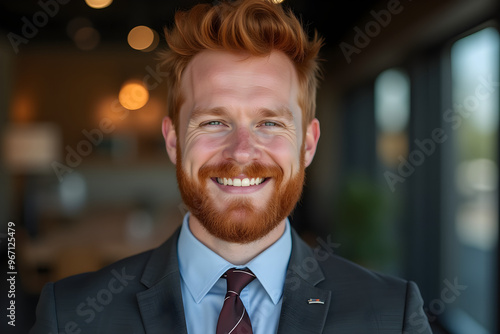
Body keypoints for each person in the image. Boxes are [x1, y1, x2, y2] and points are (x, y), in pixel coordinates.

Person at [31, 0, 432, 333]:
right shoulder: (69, 314)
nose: (241, 152)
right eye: (213, 122)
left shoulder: (392, 315)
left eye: (269, 123)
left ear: (307, 144)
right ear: (173, 141)